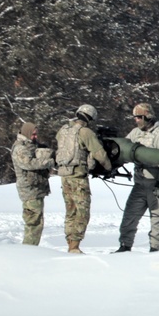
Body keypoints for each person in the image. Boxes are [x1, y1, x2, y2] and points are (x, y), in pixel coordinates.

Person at [114, 103, 159, 253]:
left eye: (139, 117)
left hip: (156, 184)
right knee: (130, 215)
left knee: (158, 217)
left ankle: (155, 248)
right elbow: (123, 149)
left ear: (148, 117)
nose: (136, 120)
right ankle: (125, 245)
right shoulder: (135, 133)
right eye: (135, 117)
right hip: (140, 183)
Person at [55, 104, 112, 254]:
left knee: (71, 210)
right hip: (78, 177)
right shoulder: (85, 132)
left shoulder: (63, 130)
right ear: (91, 118)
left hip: (64, 176)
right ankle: (74, 246)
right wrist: (108, 168)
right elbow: (99, 153)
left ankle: (70, 244)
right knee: (82, 211)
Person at [10, 121, 55, 246]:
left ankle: (31, 249)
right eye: (33, 134)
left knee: (37, 222)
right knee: (33, 223)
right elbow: (28, 163)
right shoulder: (20, 148)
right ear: (27, 133)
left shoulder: (31, 145)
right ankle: (29, 251)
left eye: (36, 134)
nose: (35, 137)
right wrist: (48, 162)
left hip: (36, 189)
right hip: (29, 190)